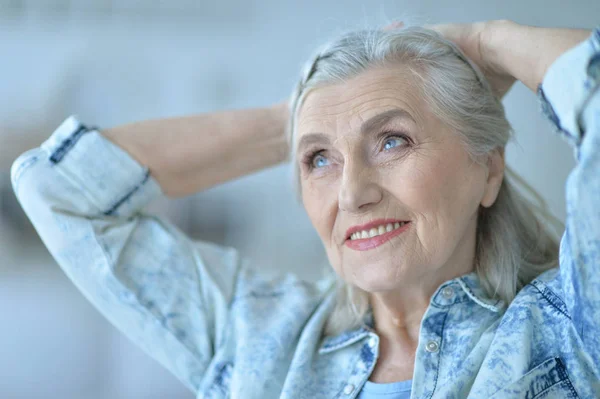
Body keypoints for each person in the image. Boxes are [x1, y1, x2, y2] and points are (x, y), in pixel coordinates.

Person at [11, 19, 599, 398]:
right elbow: (60, 190)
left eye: (392, 141)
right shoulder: (263, 337)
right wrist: (292, 120)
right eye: (319, 161)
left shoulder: (569, 327)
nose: (352, 194)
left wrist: (489, 40)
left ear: (488, 168)